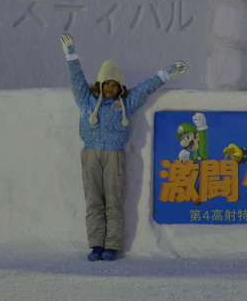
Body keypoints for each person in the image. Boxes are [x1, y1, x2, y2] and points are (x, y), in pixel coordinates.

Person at [60, 33, 186, 261]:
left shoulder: (126, 104)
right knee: (94, 200)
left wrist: (167, 72)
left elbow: (147, 87)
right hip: (91, 154)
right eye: (106, 83)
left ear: (120, 87)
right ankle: (96, 244)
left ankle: (113, 245)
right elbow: (76, 79)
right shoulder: (86, 100)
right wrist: (71, 54)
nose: (110, 87)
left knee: (113, 199)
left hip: (114, 156)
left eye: (114, 84)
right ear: (100, 84)